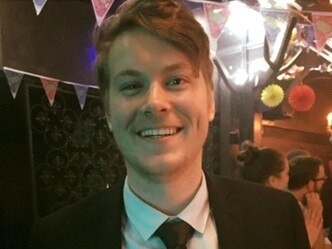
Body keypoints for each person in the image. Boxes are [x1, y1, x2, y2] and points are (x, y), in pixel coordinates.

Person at [30, 0, 310, 248]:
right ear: (108, 113)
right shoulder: (55, 239)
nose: (154, 102)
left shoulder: (278, 220)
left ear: (210, 101)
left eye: (176, 80)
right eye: (131, 85)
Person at [288, 155, 331, 249]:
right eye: (323, 179)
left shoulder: (302, 204)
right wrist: (316, 213)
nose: (324, 182)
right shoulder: (292, 210)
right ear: (310, 184)